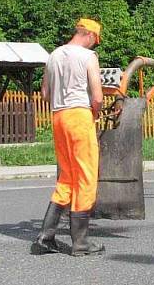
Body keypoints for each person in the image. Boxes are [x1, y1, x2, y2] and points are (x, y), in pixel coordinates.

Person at [31, 18, 105, 256]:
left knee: (67, 177)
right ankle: (81, 243)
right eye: (96, 41)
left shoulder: (53, 55)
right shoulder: (87, 57)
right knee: (86, 176)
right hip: (79, 117)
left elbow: (44, 93)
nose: (95, 46)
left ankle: (45, 237)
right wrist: (94, 113)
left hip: (58, 117)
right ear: (91, 35)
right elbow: (97, 96)